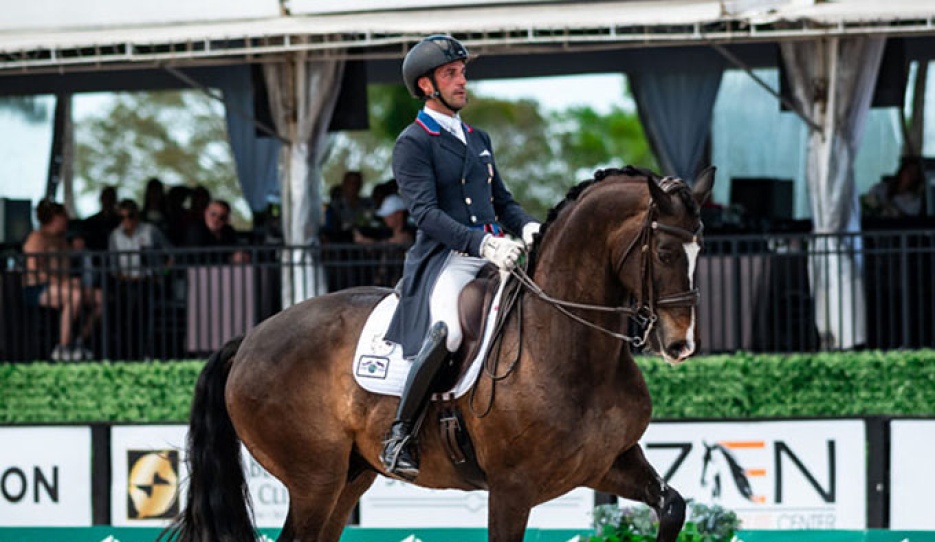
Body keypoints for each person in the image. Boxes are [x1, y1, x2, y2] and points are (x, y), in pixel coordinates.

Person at [379, 35, 541, 480]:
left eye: (462, 72)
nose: (461, 81)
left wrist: (527, 225)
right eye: (451, 74)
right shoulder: (414, 141)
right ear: (427, 85)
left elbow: (501, 201)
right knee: (448, 331)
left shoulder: (477, 137)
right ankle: (400, 435)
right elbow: (425, 213)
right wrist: (482, 243)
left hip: (499, 255)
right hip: (447, 259)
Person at [22, 199, 103, 361]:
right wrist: (62, 283)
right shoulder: (36, 239)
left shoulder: (62, 240)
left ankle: (79, 341)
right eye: (64, 216)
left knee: (100, 297)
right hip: (38, 288)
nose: (67, 220)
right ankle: (63, 348)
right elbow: (34, 271)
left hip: (64, 286)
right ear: (55, 218)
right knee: (74, 296)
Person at [109, 199, 172, 279]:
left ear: (137, 214)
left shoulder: (150, 230)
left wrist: (164, 275)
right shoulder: (114, 235)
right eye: (122, 217)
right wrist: (121, 279)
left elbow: (172, 255)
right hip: (125, 283)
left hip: (150, 281)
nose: (126, 220)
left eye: (130, 216)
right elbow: (113, 265)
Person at [183, 199, 249, 263]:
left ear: (227, 219)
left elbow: (237, 246)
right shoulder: (196, 230)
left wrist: (242, 255)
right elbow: (199, 257)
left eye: (222, 217)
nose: (216, 219)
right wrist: (230, 258)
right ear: (206, 212)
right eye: (213, 214)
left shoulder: (228, 231)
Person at [81, 186, 120, 251]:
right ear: (101, 199)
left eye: (110, 198)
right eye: (106, 198)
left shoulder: (121, 221)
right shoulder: (90, 222)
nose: (108, 201)